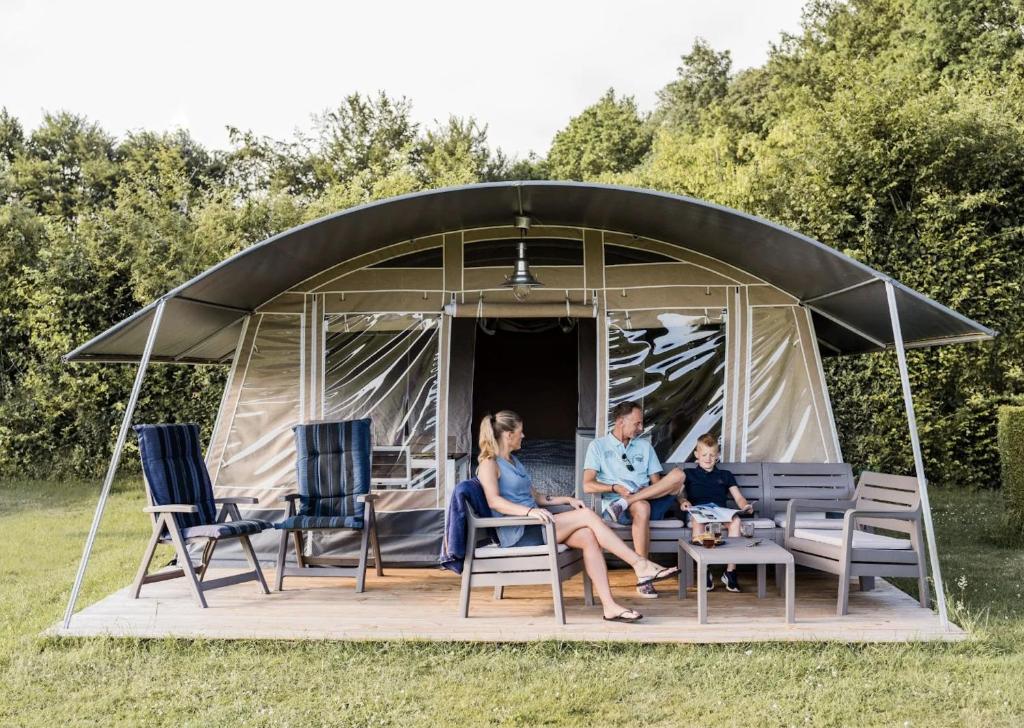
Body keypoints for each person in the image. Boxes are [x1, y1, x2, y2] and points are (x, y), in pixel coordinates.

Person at [477, 410, 679, 622]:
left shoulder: (514, 462)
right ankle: (640, 564)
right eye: (520, 432)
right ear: (508, 435)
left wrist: (566, 499)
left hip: (538, 524)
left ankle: (610, 606)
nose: (524, 435)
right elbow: (494, 501)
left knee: (588, 536)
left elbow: (537, 496)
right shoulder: (489, 464)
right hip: (522, 532)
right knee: (587, 516)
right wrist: (529, 512)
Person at [582, 400, 687, 598]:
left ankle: (629, 501)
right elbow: (587, 485)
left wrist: (646, 491)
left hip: (643, 498)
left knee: (679, 475)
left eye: (641, 424)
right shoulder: (598, 446)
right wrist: (614, 487)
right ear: (621, 421)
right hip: (618, 506)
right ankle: (644, 578)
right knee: (641, 506)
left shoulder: (644, 446)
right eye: (637, 423)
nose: (641, 428)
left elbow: (657, 483)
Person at [680, 432, 754, 593]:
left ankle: (730, 571)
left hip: (720, 512)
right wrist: (683, 502)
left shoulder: (725, 475)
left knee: (736, 522)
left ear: (717, 455)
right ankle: (704, 570)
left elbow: (739, 497)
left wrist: (745, 506)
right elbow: (680, 495)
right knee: (697, 522)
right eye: (704, 454)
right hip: (699, 512)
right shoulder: (689, 474)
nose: (708, 458)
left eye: (712, 455)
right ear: (696, 455)